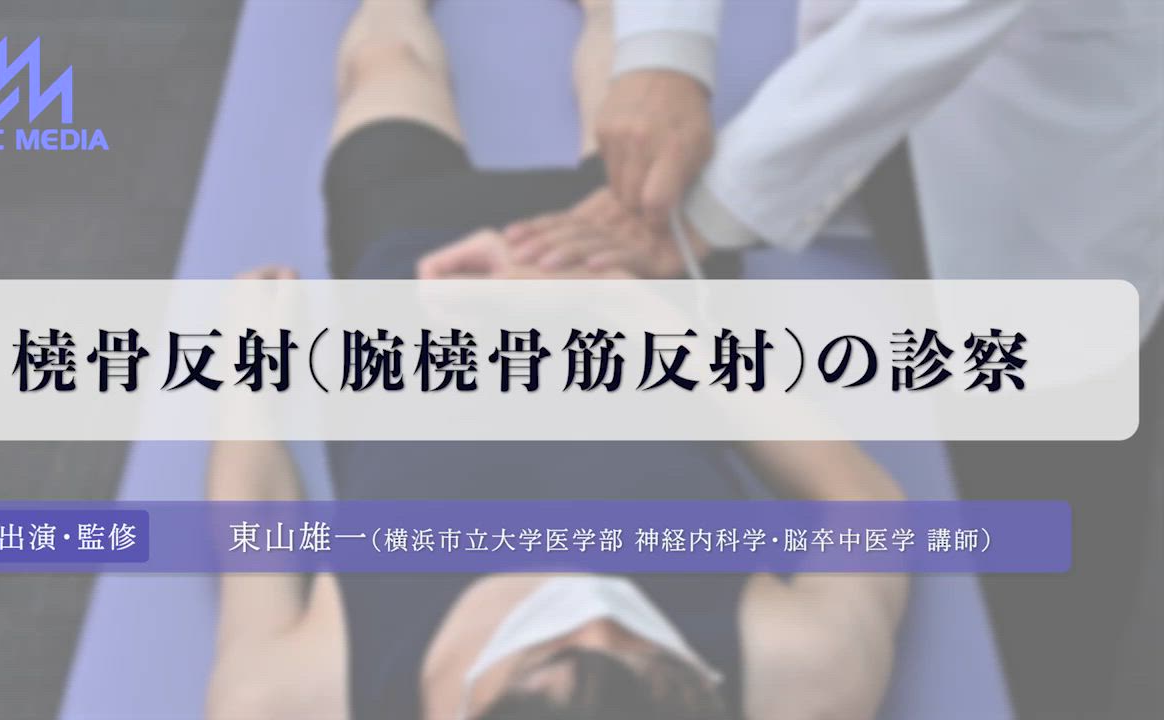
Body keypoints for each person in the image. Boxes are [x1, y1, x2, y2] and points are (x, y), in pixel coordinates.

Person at [205, 2, 908, 719]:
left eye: (541, 652)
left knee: (385, 65)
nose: (595, 616)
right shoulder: (804, 673)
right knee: (632, 82)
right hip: (628, 284)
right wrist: (634, 315)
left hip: (417, 277)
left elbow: (258, 522)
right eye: (650, 649)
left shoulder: (292, 698)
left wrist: (249, 372)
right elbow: (866, 507)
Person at [481, 2, 1163, 716]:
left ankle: (1061, 682)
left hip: (1037, 137)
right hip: (881, 121)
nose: (592, 634)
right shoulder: (798, 658)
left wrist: (709, 203)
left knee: (1048, 486)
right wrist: (664, 46)